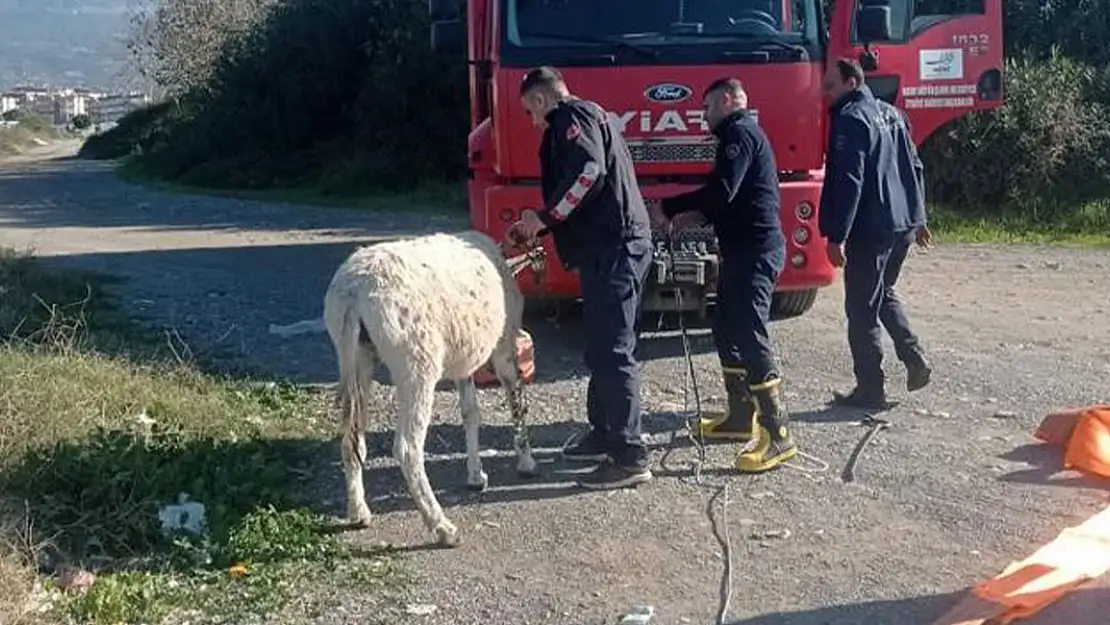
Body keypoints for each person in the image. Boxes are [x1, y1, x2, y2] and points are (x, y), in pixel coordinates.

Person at [509, 66, 655, 490]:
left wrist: (545, 217)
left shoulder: (570, 119)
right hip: (610, 248)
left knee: (613, 351)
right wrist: (542, 224)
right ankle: (604, 431)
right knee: (600, 344)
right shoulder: (594, 116)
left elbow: (589, 174)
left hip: (614, 249)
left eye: (529, 112)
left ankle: (628, 455)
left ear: (540, 99)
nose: (532, 122)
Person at [648, 77, 797, 474]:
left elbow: (722, 192)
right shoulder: (740, 135)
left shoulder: (739, 134)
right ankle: (738, 416)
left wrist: (670, 205)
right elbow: (726, 198)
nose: (704, 118)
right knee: (726, 327)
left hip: (756, 252)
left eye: (708, 108)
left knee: (749, 333)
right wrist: (693, 215)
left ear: (729, 101)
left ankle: (778, 433)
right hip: (740, 250)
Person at [819, 58, 934, 410]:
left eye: (831, 86)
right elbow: (914, 165)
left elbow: (849, 180)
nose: (826, 94)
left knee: (861, 308)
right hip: (901, 224)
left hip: (871, 227)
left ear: (851, 82)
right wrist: (919, 218)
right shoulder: (893, 113)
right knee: (882, 293)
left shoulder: (850, 119)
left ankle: (870, 389)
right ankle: (915, 359)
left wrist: (837, 234)